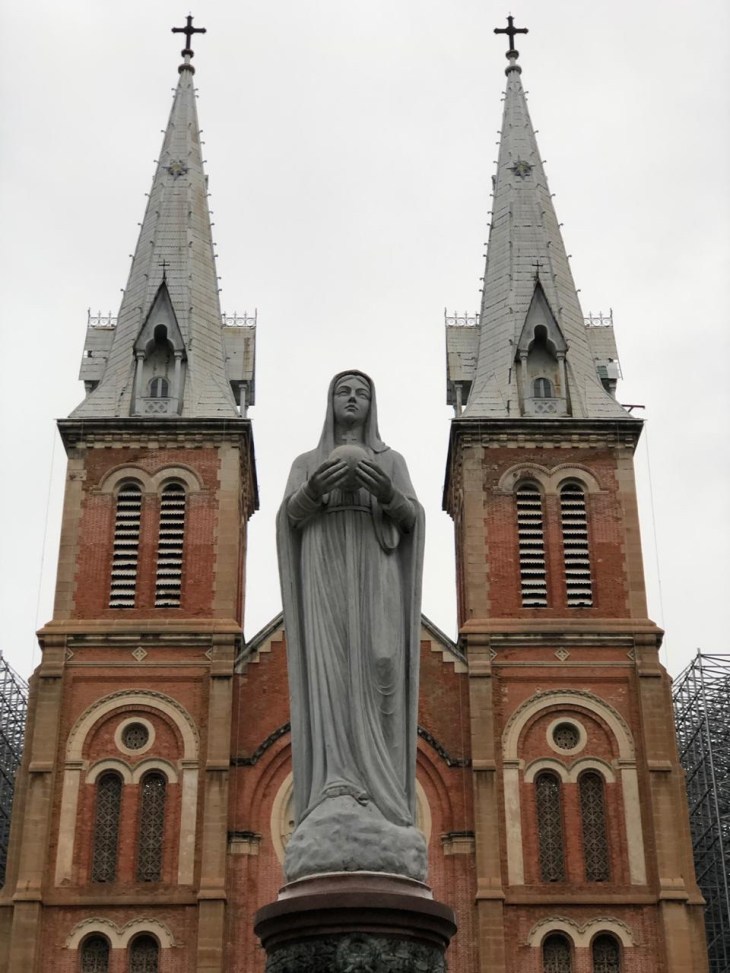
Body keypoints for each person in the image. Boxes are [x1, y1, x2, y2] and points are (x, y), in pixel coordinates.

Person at [277, 370, 426, 880]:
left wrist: (387, 492)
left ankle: (385, 800)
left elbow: (411, 519)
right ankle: (335, 785)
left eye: (362, 392)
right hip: (325, 574)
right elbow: (289, 519)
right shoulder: (306, 462)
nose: (353, 399)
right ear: (330, 402)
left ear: (373, 404)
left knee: (383, 665)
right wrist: (313, 492)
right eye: (344, 391)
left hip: (376, 571)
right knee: (333, 677)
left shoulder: (392, 461)